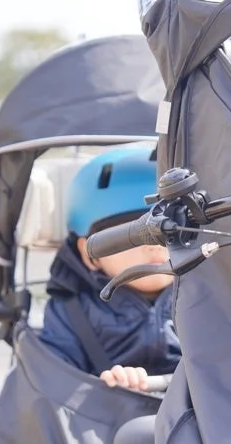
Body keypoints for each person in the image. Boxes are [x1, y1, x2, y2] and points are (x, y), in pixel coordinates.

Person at [38, 146, 182, 376]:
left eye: (169, 231)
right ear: (89, 252)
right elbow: (55, 380)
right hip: (107, 408)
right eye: (130, 235)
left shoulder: (207, 301)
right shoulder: (70, 312)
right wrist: (107, 386)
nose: (154, 244)